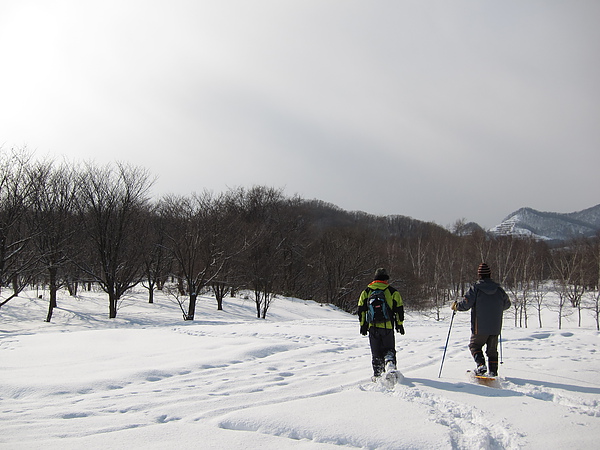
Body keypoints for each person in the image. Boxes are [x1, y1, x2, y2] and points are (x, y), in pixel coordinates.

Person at [452, 263, 511, 376]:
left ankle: (480, 365)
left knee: (474, 346)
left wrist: (456, 306)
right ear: (490, 274)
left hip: (480, 326)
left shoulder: (476, 288)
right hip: (495, 326)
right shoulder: (499, 289)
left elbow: (466, 304)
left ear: (479, 275)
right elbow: (507, 304)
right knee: (492, 351)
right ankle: (493, 372)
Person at [358, 268, 405, 379]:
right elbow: (399, 309)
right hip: (387, 327)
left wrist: (363, 325)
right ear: (386, 279)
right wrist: (399, 324)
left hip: (373, 327)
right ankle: (390, 365)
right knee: (389, 349)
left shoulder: (366, 292)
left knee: (376, 353)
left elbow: (361, 310)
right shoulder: (392, 291)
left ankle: (378, 375)